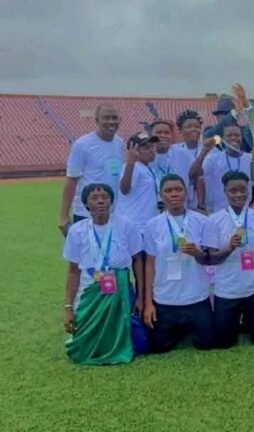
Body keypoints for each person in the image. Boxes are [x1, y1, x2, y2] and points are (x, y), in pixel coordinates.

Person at [62, 183, 143, 365]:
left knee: (141, 344)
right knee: (79, 349)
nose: (100, 201)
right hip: (89, 291)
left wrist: (141, 296)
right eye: (94, 197)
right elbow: (73, 271)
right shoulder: (77, 230)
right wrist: (68, 307)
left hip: (121, 289)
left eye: (105, 197)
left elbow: (138, 261)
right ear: (86, 204)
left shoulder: (126, 225)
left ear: (111, 201)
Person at [142, 174, 214, 353]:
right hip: (165, 298)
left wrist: (197, 253)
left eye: (178, 190)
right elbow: (149, 264)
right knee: (158, 348)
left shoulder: (201, 221)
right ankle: (179, 328)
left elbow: (209, 259)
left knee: (207, 344)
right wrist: (149, 303)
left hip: (196, 296)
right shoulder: (152, 225)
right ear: (161, 196)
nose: (174, 194)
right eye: (168, 190)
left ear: (186, 193)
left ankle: (187, 327)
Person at [201, 171, 254, 347]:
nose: (238, 194)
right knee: (224, 342)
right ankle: (238, 322)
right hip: (227, 290)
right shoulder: (213, 221)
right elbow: (212, 260)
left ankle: (249, 321)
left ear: (248, 190)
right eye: (233, 191)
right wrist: (229, 248)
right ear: (225, 191)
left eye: (242, 189)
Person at [59, 104, 124, 235]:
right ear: (97, 120)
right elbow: (71, 180)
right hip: (86, 212)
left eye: (114, 118)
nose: (111, 122)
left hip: (112, 212)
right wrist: (64, 216)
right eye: (106, 118)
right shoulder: (82, 144)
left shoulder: (120, 143)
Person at [190, 124, 254, 213]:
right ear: (222, 138)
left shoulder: (250, 158)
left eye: (237, 135)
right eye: (229, 135)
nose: (233, 138)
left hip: (245, 211)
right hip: (217, 211)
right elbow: (194, 175)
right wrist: (204, 151)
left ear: (242, 137)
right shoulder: (213, 159)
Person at [168, 110, 215, 212]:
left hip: (205, 203)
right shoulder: (173, 151)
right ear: (181, 130)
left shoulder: (211, 150)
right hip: (181, 201)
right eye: (189, 126)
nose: (194, 129)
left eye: (197, 127)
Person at [202, 85, 254, 155]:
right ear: (217, 117)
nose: (225, 117)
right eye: (222, 114)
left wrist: (247, 106)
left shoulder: (244, 132)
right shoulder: (212, 133)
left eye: (228, 114)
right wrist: (234, 113)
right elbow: (209, 136)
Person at [115, 133, 161, 233]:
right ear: (134, 150)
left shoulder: (148, 169)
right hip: (135, 225)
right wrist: (130, 164)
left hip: (146, 224)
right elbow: (124, 189)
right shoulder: (133, 167)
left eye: (152, 146)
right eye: (146, 148)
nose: (152, 150)